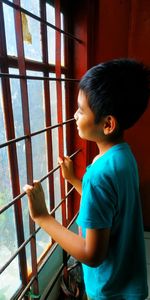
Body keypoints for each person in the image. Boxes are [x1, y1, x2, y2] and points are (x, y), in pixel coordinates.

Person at [24, 59, 150, 300]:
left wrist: (43, 217)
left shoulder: (97, 175)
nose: (74, 115)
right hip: (129, 283)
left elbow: (92, 253)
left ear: (108, 124)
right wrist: (73, 180)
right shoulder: (124, 157)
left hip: (108, 290)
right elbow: (108, 207)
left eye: (81, 110)